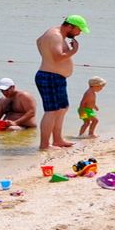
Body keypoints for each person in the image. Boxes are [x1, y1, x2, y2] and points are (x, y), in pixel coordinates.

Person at [34, 15, 89, 152]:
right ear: (70, 26)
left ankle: (58, 140)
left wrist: (46, 56)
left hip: (56, 76)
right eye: (79, 30)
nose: (79, 33)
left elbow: (38, 41)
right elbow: (57, 57)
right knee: (51, 111)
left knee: (63, 108)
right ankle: (44, 145)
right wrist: (73, 51)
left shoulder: (53, 33)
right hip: (49, 76)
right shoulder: (56, 35)